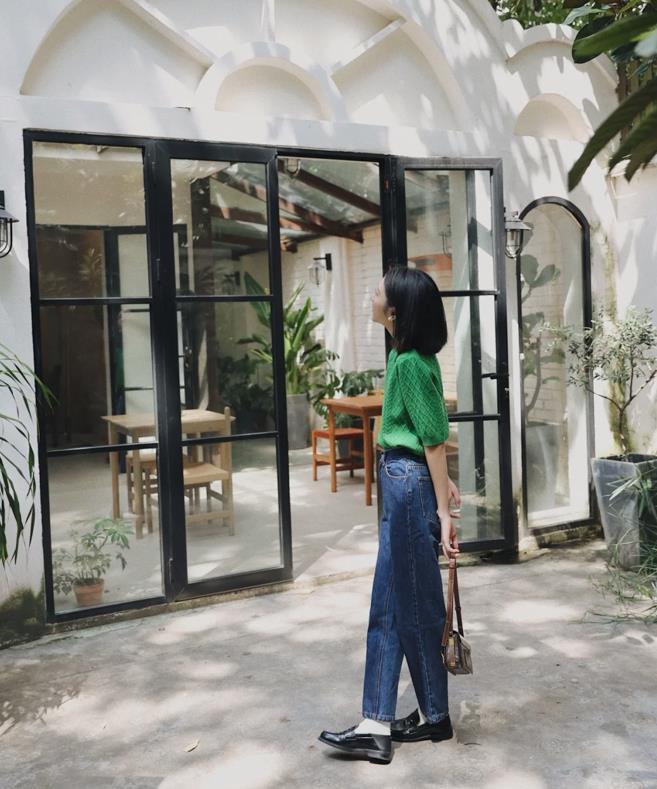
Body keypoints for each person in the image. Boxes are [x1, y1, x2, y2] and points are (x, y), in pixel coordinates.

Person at [318, 265, 461, 765]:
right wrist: (440, 484)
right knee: (389, 606)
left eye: (378, 291)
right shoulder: (404, 355)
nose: (372, 294)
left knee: (416, 606)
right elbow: (426, 437)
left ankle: (428, 716)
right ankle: (378, 722)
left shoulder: (411, 363)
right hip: (404, 479)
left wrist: (442, 509)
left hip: (407, 486)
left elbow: (434, 440)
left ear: (395, 310)